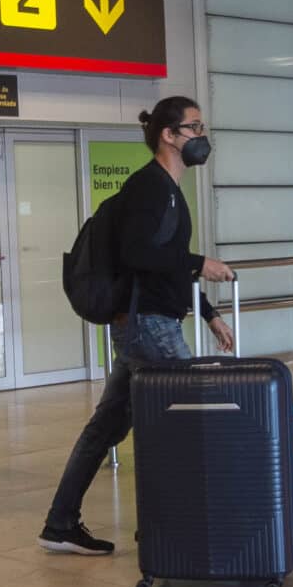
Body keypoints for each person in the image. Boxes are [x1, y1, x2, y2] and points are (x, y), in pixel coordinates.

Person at [37, 97, 237, 556]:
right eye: (194, 127)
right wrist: (198, 262)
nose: (201, 137)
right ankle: (190, 528)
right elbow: (138, 254)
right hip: (151, 327)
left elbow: (161, 266)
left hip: (142, 325)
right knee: (191, 421)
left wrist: (208, 313)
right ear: (169, 135)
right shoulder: (151, 187)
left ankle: (60, 522)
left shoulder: (165, 189)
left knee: (105, 429)